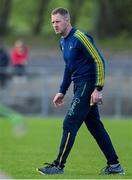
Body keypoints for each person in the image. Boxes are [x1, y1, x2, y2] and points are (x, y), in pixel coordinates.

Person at [37, 7, 125, 175]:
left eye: (57, 21)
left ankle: (58, 166)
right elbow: (69, 68)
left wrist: (98, 88)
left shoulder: (80, 38)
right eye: (52, 22)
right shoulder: (62, 42)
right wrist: (62, 90)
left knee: (69, 122)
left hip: (87, 85)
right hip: (79, 86)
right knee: (95, 127)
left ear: (67, 21)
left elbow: (99, 61)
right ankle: (114, 166)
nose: (54, 25)